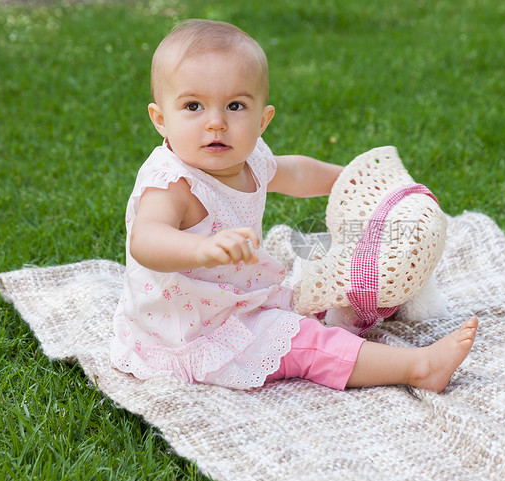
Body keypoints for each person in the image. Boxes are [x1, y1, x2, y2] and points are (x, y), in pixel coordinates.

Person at [110, 19, 478, 392]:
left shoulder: (249, 158)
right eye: (193, 106)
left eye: (235, 105)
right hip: (193, 330)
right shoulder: (173, 183)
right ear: (160, 120)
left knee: (323, 289)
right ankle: (418, 367)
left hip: (238, 297)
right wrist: (202, 249)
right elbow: (147, 240)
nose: (216, 123)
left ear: (262, 120)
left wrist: (356, 178)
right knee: (306, 343)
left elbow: (299, 173)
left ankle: (376, 300)